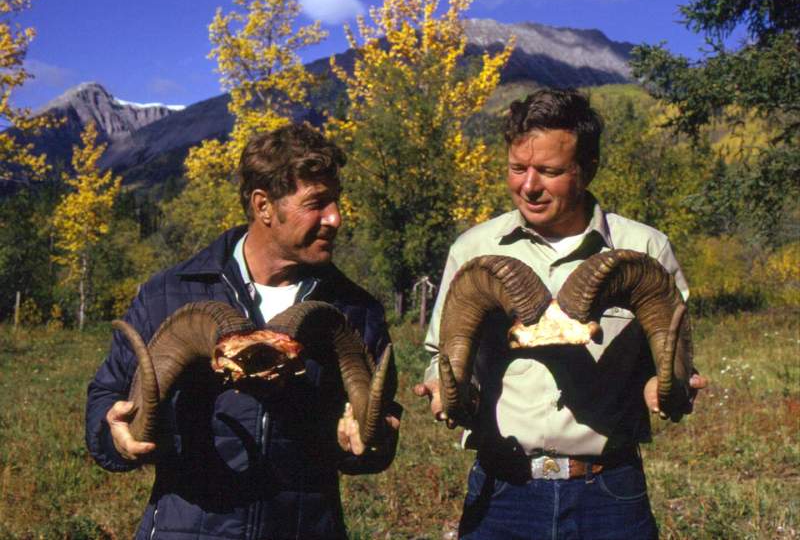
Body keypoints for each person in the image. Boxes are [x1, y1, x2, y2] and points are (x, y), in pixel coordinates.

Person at [413, 89, 706, 539]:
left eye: (549, 171)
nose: (528, 186)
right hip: (503, 487)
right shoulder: (474, 249)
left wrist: (666, 387)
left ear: (587, 170)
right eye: (517, 168)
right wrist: (444, 383)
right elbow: (446, 353)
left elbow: (671, 359)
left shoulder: (645, 248)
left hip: (607, 490)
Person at [86, 123, 400, 540]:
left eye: (336, 202)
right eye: (317, 204)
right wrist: (115, 434)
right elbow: (108, 396)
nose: (335, 218)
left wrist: (372, 440)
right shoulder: (169, 294)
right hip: (188, 528)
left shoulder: (355, 310)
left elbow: (377, 425)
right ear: (263, 206)